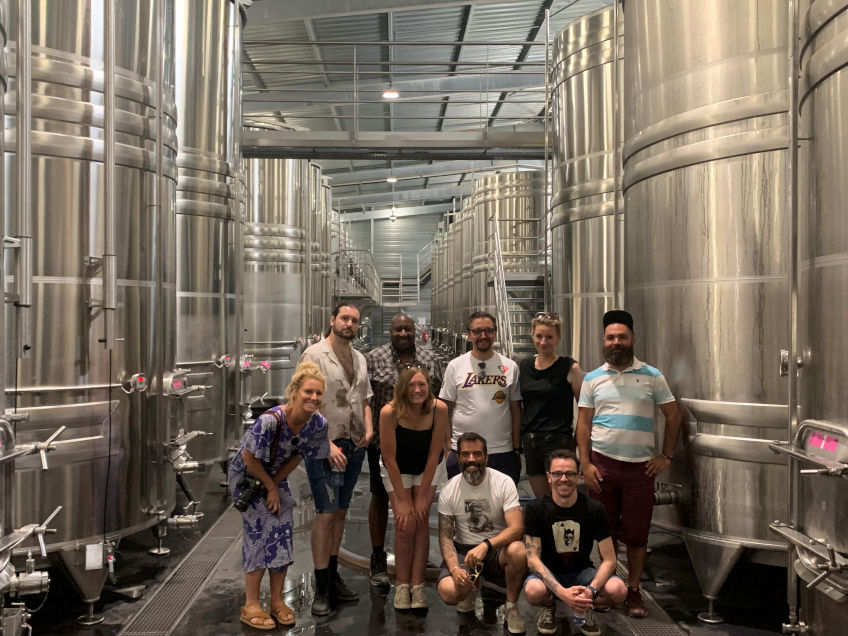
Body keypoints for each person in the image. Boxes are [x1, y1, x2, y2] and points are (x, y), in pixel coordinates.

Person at [576, 309, 682, 618]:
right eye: (610, 337)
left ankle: (633, 590)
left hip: (640, 468)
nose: (616, 342)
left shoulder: (652, 375)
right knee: (603, 532)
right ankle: (605, 586)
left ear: (632, 339)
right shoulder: (592, 379)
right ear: (604, 341)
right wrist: (585, 462)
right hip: (603, 467)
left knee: (637, 534)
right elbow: (583, 424)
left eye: (621, 337)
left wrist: (667, 456)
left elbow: (673, 415)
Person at [228, 361, 330, 630]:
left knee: (282, 530)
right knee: (260, 531)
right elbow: (249, 458)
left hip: (276, 474)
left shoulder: (317, 424)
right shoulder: (270, 421)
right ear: (295, 391)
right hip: (248, 476)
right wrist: (270, 488)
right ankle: (250, 604)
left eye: (319, 393)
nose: (314, 398)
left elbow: (298, 455)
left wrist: (275, 484)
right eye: (309, 391)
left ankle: (276, 601)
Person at [300, 302, 374, 616]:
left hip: (354, 443)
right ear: (333, 320)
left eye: (354, 320)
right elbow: (305, 400)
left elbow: (366, 398)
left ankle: (333, 577)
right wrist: (325, 443)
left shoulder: (359, 358)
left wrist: (368, 429)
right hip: (324, 445)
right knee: (326, 514)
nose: (349, 324)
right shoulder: (314, 355)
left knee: (341, 512)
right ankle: (321, 588)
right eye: (344, 318)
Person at [365, 312, 442, 588]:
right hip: (383, 445)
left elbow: (439, 399)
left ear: (415, 331)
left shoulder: (430, 360)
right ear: (390, 331)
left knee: (419, 503)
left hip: (421, 442)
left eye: (407, 329)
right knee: (380, 498)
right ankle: (377, 556)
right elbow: (365, 398)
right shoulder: (374, 358)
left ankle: (416, 558)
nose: (403, 334)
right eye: (398, 329)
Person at [523, 449, 627, 635]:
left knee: (618, 590)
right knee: (533, 591)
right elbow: (533, 559)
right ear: (549, 477)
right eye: (557, 473)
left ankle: (584, 605)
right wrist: (561, 592)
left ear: (578, 476)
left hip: (582, 572)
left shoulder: (594, 508)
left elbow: (610, 559)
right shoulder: (535, 509)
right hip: (549, 571)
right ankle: (549, 605)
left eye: (570, 473)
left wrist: (591, 591)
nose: (564, 479)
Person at [436, 432, 528, 635]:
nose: (471, 459)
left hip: (495, 550)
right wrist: (454, 569)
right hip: (464, 553)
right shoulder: (449, 490)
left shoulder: (504, 482)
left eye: (477, 454)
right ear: (458, 457)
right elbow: (445, 536)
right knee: (448, 592)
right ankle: (471, 587)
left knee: (519, 551)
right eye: (465, 454)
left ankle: (511, 607)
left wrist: (486, 545)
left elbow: (517, 528)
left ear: (486, 457)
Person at [379, 366, 449, 610]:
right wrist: (404, 500)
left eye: (422, 385)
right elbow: (389, 459)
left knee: (420, 520)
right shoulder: (389, 412)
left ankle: (417, 586)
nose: (418, 390)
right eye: (412, 385)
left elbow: (434, 455)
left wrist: (421, 498)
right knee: (404, 522)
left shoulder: (439, 409)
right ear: (403, 388)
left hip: (427, 467)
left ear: (429, 387)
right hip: (396, 467)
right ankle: (401, 584)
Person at [439, 312, 522, 484]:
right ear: (469, 334)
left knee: (500, 507)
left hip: (501, 450)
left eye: (488, 330)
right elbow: (445, 409)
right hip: (463, 451)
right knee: (463, 506)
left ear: (495, 332)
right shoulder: (455, 366)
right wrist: (448, 448)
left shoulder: (510, 366)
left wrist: (516, 447)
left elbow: (516, 410)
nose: (483, 336)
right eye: (477, 331)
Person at [518, 312, 584, 496]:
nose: (543, 341)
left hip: (557, 441)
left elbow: (586, 409)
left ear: (558, 338)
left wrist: (577, 443)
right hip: (530, 442)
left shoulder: (570, 367)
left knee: (561, 497)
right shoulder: (524, 366)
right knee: (542, 500)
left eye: (549, 337)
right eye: (539, 336)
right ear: (532, 335)